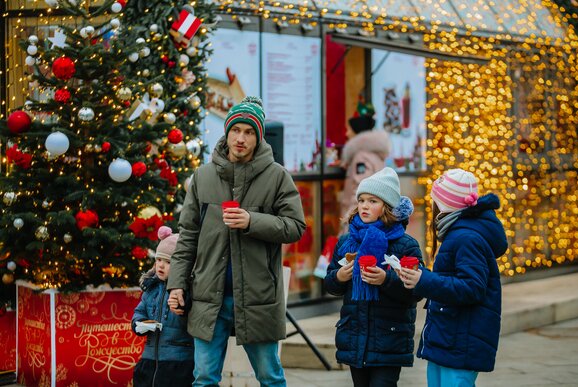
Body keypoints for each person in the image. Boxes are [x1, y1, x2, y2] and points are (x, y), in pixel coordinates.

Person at [167, 96, 306, 387]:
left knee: (270, 378)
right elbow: (188, 236)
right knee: (204, 378)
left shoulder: (277, 177)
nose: (241, 138)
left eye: (249, 132)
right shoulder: (203, 177)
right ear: (227, 131)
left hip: (257, 297)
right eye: (236, 130)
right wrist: (177, 285)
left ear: (258, 137)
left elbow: (295, 227)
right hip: (208, 297)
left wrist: (251, 221)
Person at [400, 168, 508, 387]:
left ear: (444, 205)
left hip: (460, 339)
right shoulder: (458, 233)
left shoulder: (466, 237)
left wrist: (424, 281)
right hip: (450, 336)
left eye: (435, 200)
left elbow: (472, 287)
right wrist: (421, 279)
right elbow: (453, 281)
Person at [324, 167, 424, 387]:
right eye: (361, 200)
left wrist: (386, 280)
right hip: (355, 335)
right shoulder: (347, 241)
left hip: (389, 337)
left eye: (373, 201)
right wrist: (339, 276)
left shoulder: (405, 245)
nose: (365, 206)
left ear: (387, 207)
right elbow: (330, 284)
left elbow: (416, 291)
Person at [132, 226, 194, 387]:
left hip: (178, 362)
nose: (161, 266)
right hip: (149, 360)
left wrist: (183, 307)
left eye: (168, 262)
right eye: (158, 260)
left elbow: (194, 317)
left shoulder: (187, 289)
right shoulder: (151, 289)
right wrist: (140, 323)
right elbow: (139, 311)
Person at [340, 100, 391, 233]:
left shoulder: (361, 157)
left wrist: (349, 221)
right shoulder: (375, 154)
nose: (347, 134)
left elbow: (360, 191)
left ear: (356, 131)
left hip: (362, 222)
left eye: (349, 130)